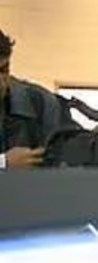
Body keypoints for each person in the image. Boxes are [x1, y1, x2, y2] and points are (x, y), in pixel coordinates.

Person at [0, 29, 73, 169]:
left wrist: (97, 138)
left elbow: (70, 150)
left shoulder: (40, 103)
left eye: (4, 70)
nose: (1, 83)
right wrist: (4, 163)